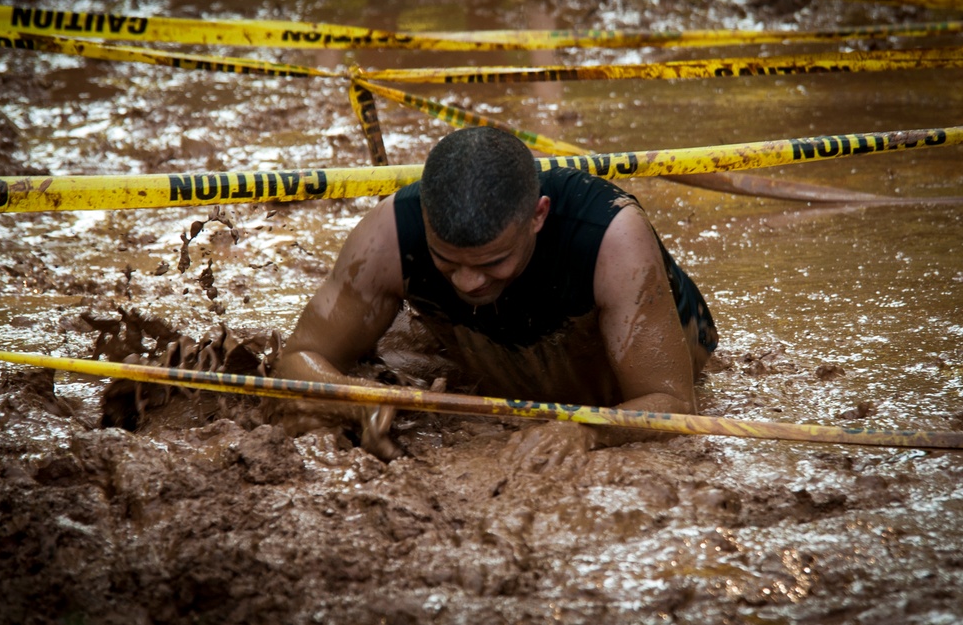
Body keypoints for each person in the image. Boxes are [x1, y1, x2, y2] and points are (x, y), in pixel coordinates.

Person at [271, 126, 718, 463]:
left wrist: (586, 431)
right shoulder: (388, 233)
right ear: (425, 218)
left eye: (492, 262)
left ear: (538, 216)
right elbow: (300, 357)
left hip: (661, 346)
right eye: (447, 261)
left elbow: (672, 404)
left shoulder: (612, 239)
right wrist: (350, 396)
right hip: (504, 346)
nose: (468, 282)